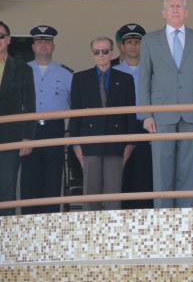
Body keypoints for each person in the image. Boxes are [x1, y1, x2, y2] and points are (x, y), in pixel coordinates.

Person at [139, 0, 193, 209]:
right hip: (161, 112)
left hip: (192, 110)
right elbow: (144, 79)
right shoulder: (150, 40)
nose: (175, 9)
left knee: (188, 169)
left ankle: (185, 217)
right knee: (162, 168)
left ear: (186, 12)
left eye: (179, 6)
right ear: (164, 12)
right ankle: (163, 218)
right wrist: (146, 114)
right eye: (171, 6)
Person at [70, 37, 137, 211]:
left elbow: (130, 112)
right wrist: (75, 143)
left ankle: (112, 233)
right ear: (92, 55)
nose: (101, 55)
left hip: (116, 141)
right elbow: (74, 113)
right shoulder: (79, 78)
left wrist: (130, 142)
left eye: (105, 51)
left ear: (112, 53)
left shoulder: (126, 79)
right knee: (90, 193)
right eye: (97, 51)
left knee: (113, 193)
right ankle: (89, 232)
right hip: (89, 142)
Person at [21, 25, 73, 214]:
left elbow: (75, 106)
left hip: (55, 131)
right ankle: (28, 228)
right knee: (29, 181)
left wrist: (69, 132)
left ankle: (51, 228)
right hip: (28, 132)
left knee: (53, 181)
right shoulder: (21, 71)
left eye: (47, 41)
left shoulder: (66, 74)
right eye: (39, 41)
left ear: (53, 46)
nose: (43, 45)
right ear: (33, 46)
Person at [113, 23, 154, 209]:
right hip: (120, 127)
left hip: (146, 126)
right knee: (121, 175)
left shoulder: (153, 70)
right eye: (128, 42)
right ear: (121, 45)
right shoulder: (113, 72)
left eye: (137, 42)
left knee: (144, 175)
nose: (133, 46)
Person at [0, 21, 35, 216]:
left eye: (1, 36)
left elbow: (29, 106)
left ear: (8, 39)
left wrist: (27, 137)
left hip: (10, 137)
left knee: (7, 189)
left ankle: (5, 241)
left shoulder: (22, 69)